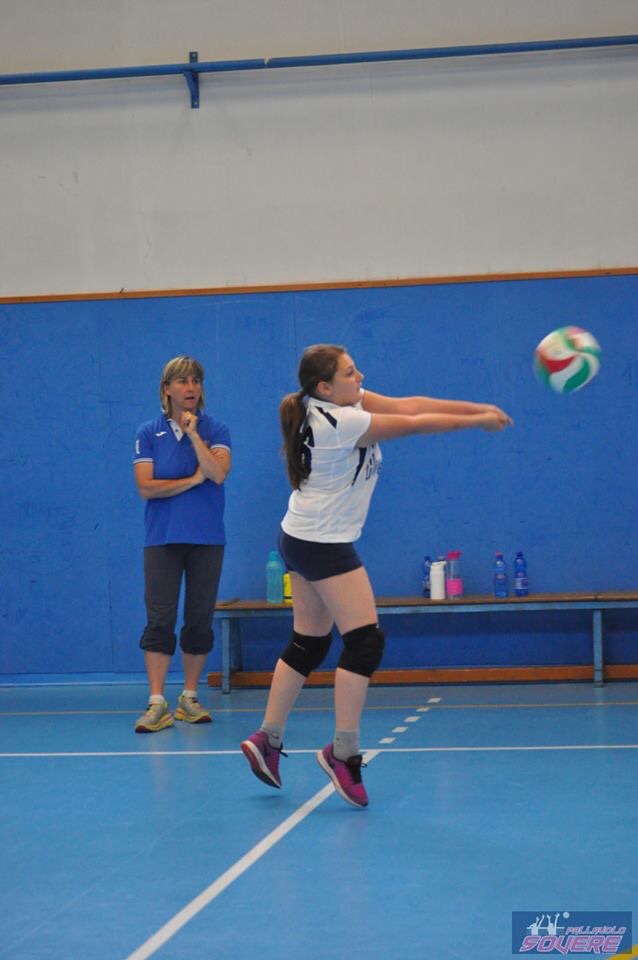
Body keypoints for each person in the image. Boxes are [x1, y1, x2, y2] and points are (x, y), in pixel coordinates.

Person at [241, 343, 512, 807]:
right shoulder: (343, 422)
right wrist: (476, 423)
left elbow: (411, 404)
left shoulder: (327, 404)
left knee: (310, 643)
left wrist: (477, 407)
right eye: (350, 372)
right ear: (325, 387)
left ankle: (268, 738)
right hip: (322, 543)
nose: (360, 376)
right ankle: (342, 753)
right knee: (365, 642)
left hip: (299, 535)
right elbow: (415, 424)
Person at [133, 355, 231, 733]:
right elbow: (146, 487)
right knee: (160, 618)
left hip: (207, 538)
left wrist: (193, 436)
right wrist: (191, 481)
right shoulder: (148, 432)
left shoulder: (216, 429)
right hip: (162, 539)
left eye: (196, 381)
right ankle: (157, 702)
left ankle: (189, 697)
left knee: (199, 618)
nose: (191, 388)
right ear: (167, 389)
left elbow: (217, 473)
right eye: (182, 381)